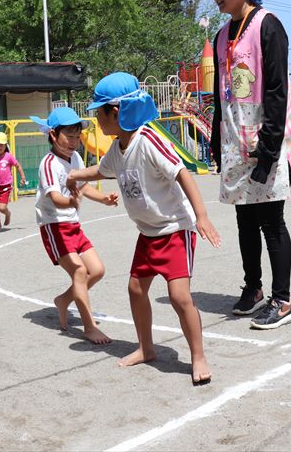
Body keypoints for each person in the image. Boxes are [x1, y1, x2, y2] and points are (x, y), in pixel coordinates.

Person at [66, 72, 221, 385]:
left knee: (179, 297)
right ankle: (146, 348)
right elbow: (102, 170)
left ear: (116, 112)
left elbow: (182, 173)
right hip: (148, 234)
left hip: (175, 230)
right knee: (136, 290)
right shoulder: (117, 148)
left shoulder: (149, 140)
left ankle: (198, 356)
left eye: (99, 113)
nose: (97, 119)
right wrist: (76, 175)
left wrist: (202, 216)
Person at [194, 0, 291, 329]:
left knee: (271, 221)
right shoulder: (221, 35)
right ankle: (253, 289)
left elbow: (276, 88)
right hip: (233, 136)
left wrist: (269, 148)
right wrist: (216, 140)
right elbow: (220, 95)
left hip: (263, 135)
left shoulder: (267, 24)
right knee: (244, 219)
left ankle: (283, 300)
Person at [30, 107, 119, 344]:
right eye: (68, 136)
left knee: (97, 270)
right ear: (53, 135)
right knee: (80, 271)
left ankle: (63, 300)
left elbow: (84, 186)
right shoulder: (49, 164)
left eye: (77, 136)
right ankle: (89, 327)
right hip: (54, 226)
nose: (74, 141)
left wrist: (104, 199)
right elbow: (54, 197)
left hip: (73, 225)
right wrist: (69, 201)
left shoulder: (76, 159)